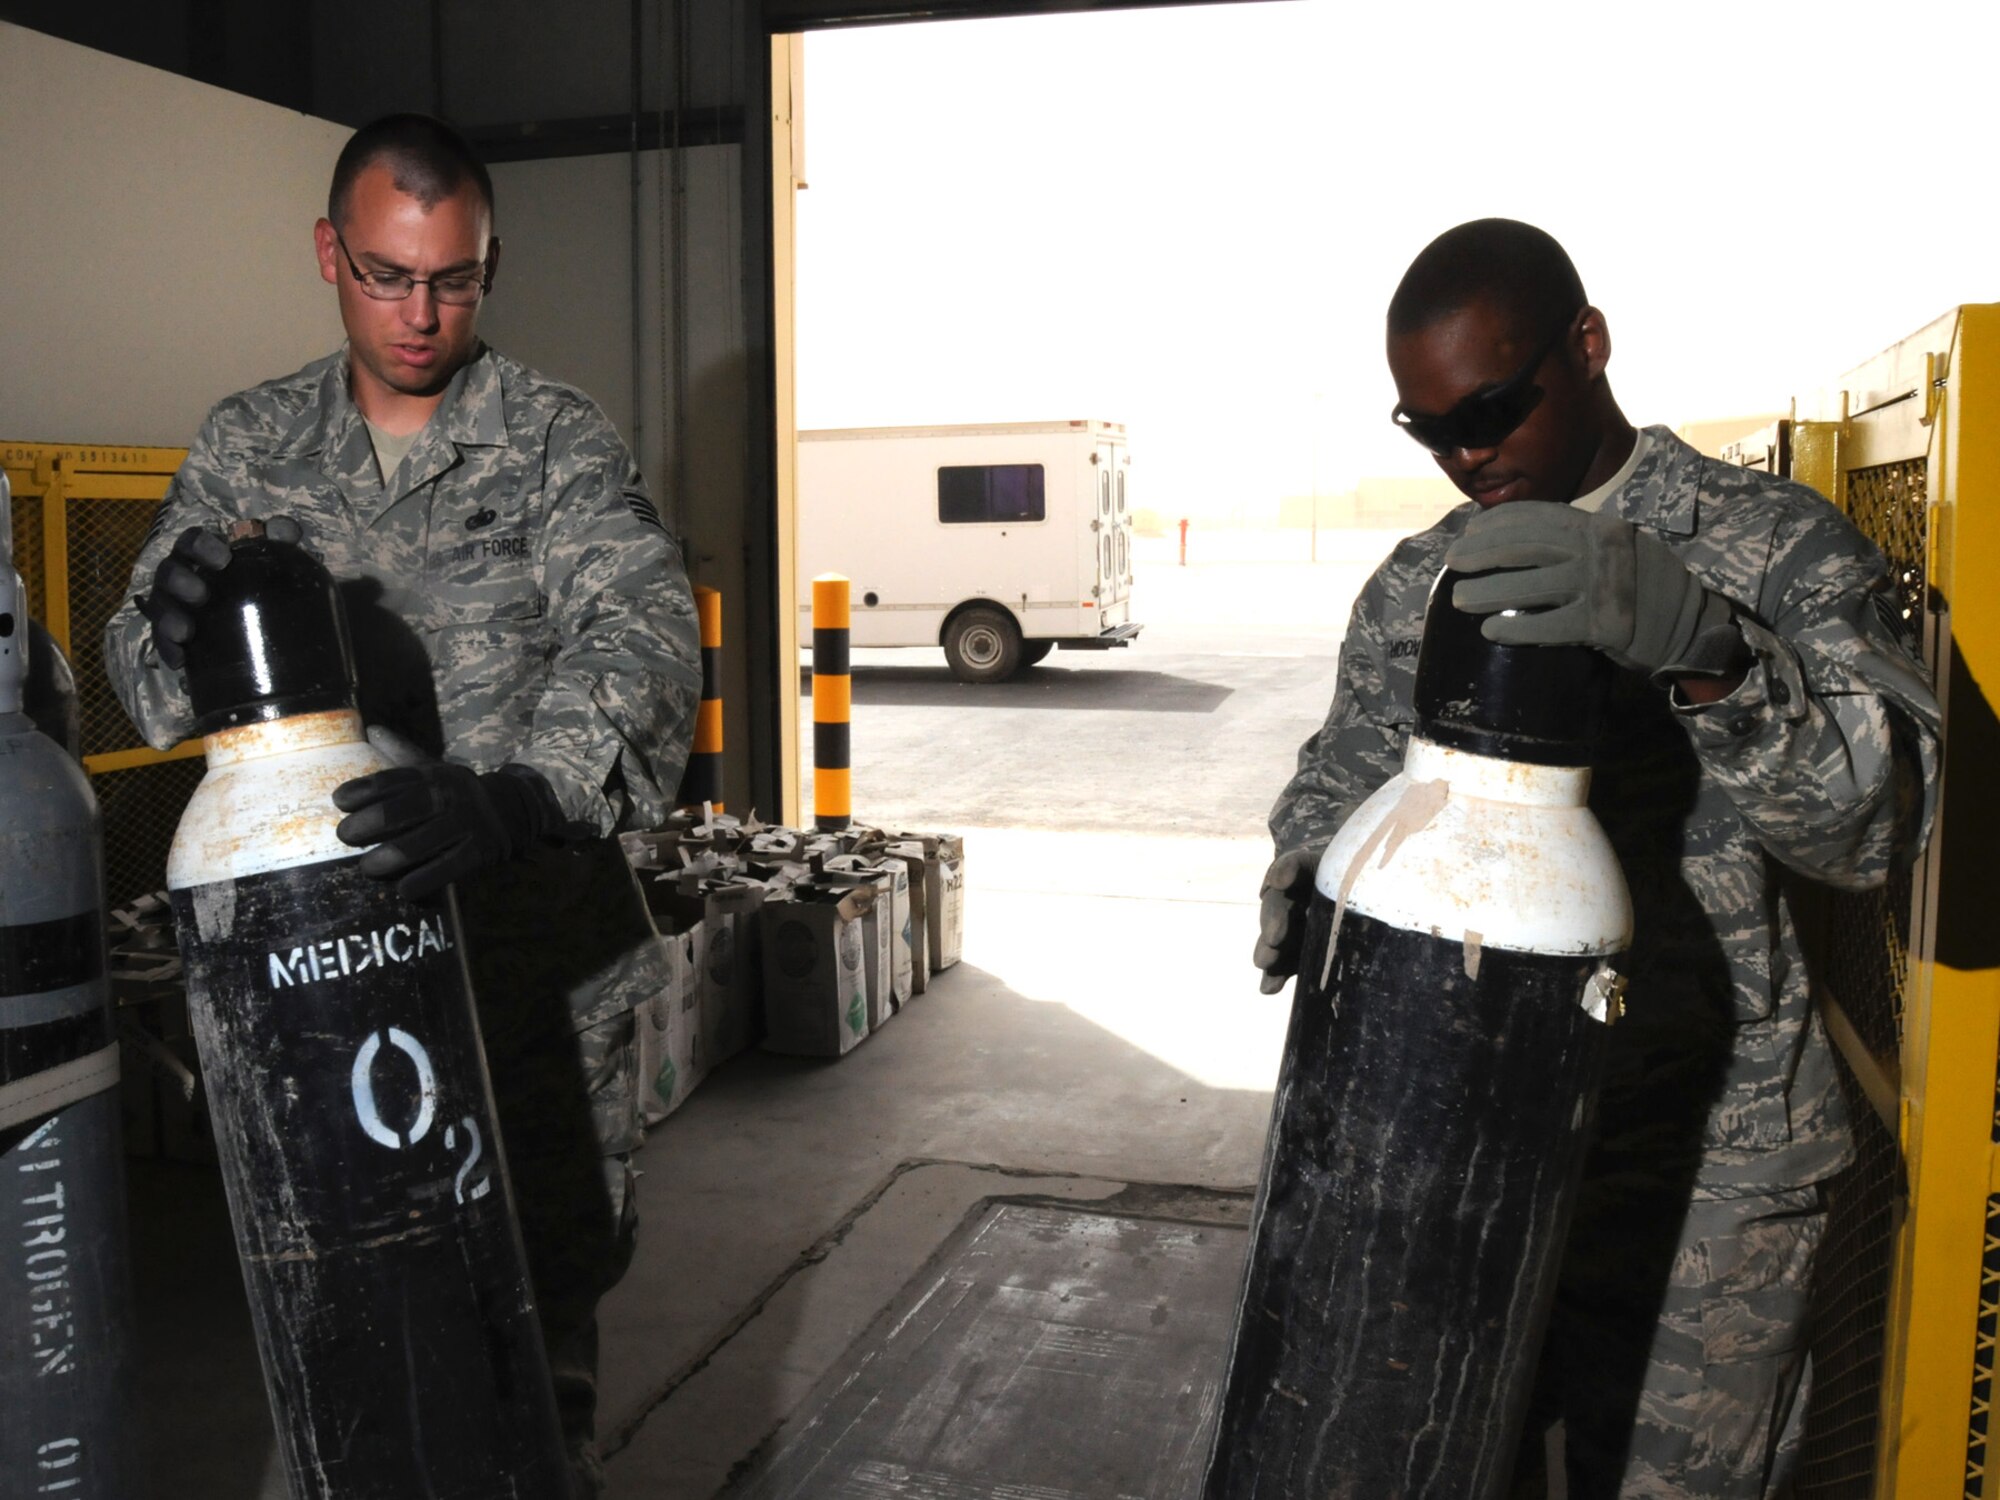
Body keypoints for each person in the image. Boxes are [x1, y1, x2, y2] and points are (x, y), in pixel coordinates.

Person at [1254, 219, 1940, 1498]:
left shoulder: (1765, 543)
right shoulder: (1421, 585)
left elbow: (1879, 829)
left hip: (1709, 1168)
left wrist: (1710, 656)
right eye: (1428, 431)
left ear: (1587, 346)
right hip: (1469, 1144)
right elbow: (1343, 772)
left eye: (1492, 411)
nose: (1465, 457)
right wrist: (1304, 862)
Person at [104, 113, 700, 1498]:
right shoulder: (251, 443)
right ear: (329, 253)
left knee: (537, 1351)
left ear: (488, 265)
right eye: (384, 275)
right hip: (325, 978)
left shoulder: (554, 439)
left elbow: (644, 635)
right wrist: (170, 632)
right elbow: (146, 679)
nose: (419, 313)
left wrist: (520, 794)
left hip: (522, 961)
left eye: (452, 280)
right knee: (348, 1332)